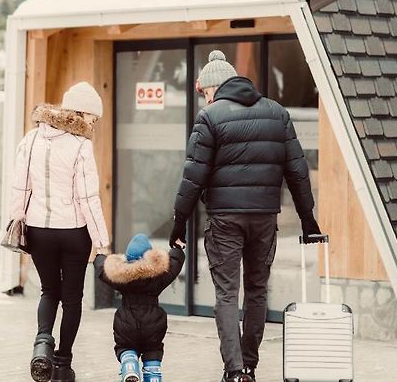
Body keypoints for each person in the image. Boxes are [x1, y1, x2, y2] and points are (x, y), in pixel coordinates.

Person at [169, 50, 321, 382]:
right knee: (257, 290)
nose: (205, 98)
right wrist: (308, 219)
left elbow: (193, 177)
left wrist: (179, 222)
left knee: (226, 293)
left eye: (205, 92)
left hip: (224, 219)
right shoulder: (277, 113)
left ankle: (234, 371)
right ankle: (250, 364)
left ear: (214, 87)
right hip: (265, 217)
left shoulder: (210, 117)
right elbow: (297, 170)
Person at [9, 81, 110, 382]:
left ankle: (42, 345)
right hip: (73, 233)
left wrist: (18, 222)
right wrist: (102, 242)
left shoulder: (30, 140)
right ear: (80, 111)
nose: (94, 123)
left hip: (39, 230)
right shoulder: (81, 145)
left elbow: (20, 187)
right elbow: (88, 198)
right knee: (72, 299)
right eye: (93, 117)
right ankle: (62, 365)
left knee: (49, 290)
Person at [93, 233, 185, 382]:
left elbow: (102, 269)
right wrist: (177, 248)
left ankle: (129, 365)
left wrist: (100, 255)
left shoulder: (121, 276)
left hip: (126, 322)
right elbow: (175, 263)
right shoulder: (159, 275)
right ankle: (153, 375)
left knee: (125, 346)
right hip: (154, 323)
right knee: (153, 350)